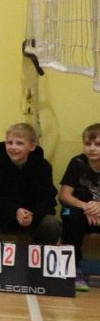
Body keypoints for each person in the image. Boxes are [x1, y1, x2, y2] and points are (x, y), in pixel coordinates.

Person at [0, 122, 60, 245]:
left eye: (19, 143)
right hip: (2, 218)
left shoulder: (43, 167)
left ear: (32, 147)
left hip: (32, 221)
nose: (13, 147)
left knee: (52, 223)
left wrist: (32, 214)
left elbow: (48, 200)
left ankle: (42, 256)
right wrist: (14, 211)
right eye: (9, 142)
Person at [57, 123, 100, 293]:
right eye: (88, 144)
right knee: (68, 214)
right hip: (82, 214)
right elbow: (64, 195)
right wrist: (86, 206)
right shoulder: (77, 163)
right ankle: (73, 270)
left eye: (98, 144)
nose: (92, 148)